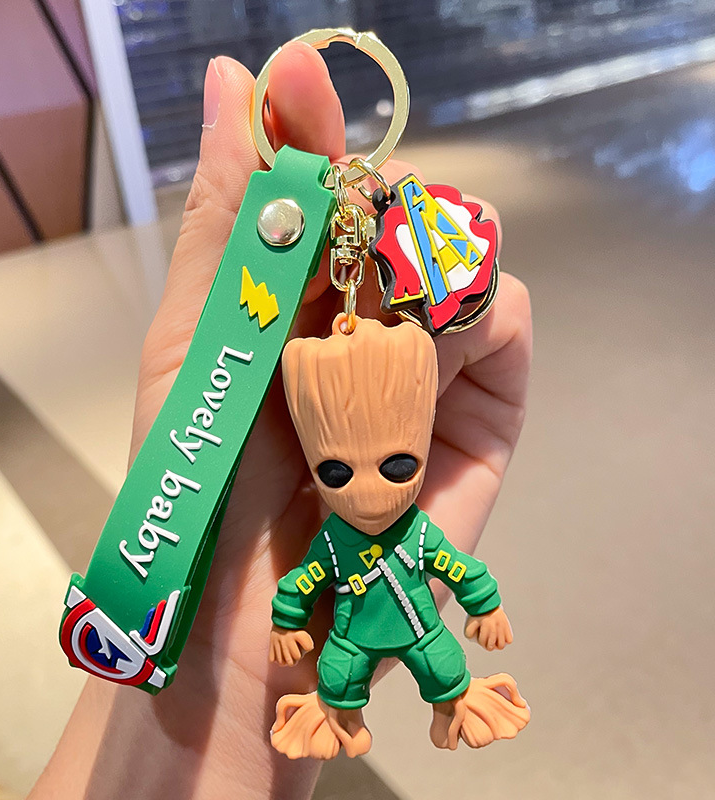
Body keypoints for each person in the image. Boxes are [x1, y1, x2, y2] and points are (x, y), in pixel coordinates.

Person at [29, 41, 532, 800]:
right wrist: (277, 631)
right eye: (337, 471)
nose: (368, 491)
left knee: (442, 665)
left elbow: (461, 573)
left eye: (400, 465)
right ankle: (331, 709)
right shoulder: (341, 538)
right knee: (339, 673)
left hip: (426, 633)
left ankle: (456, 698)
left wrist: (483, 608)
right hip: (345, 641)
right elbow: (299, 582)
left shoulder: (413, 535)